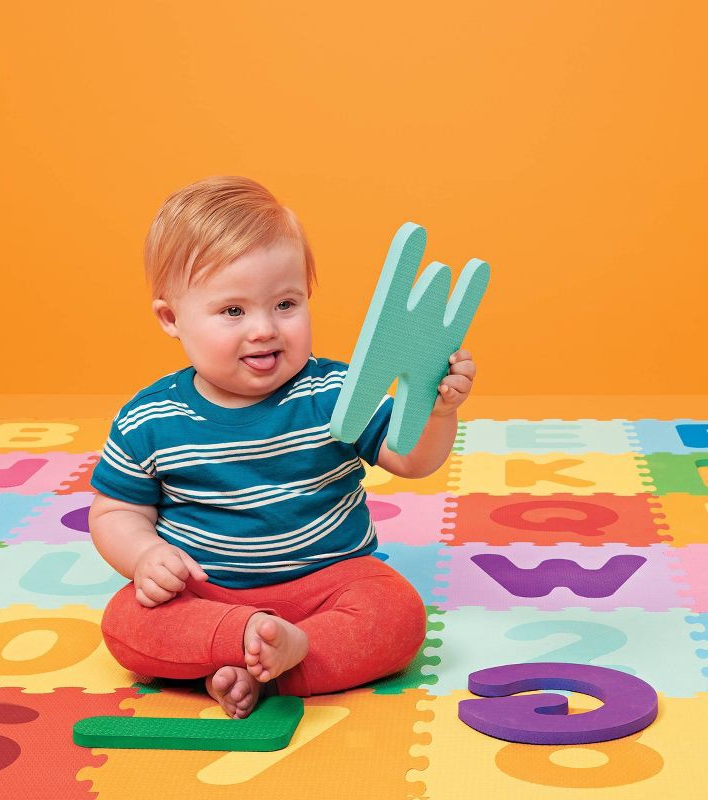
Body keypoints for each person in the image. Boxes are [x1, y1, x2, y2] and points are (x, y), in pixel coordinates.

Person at [89, 176, 477, 719]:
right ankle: (247, 643)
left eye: (286, 304)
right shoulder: (149, 419)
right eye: (232, 312)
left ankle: (275, 659)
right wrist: (144, 556)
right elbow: (117, 510)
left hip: (330, 581)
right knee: (126, 623)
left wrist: (437, 412)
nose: (264, 329)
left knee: (398, 614)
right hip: (208, 592)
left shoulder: (335, 392)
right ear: (172, 319)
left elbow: (411, 460)